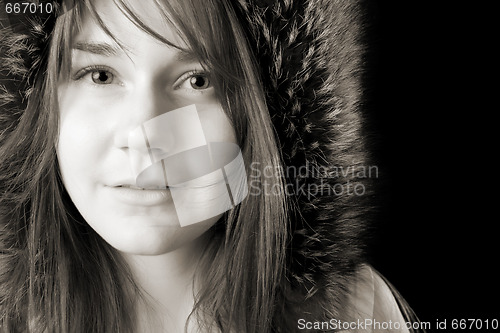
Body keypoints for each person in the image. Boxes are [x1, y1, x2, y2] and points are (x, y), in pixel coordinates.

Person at [0, 0, 423, 332]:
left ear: (270, 121)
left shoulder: (353, 315)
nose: (145, 136)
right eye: (100, 75)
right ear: (35, 108)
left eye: (199, 80)